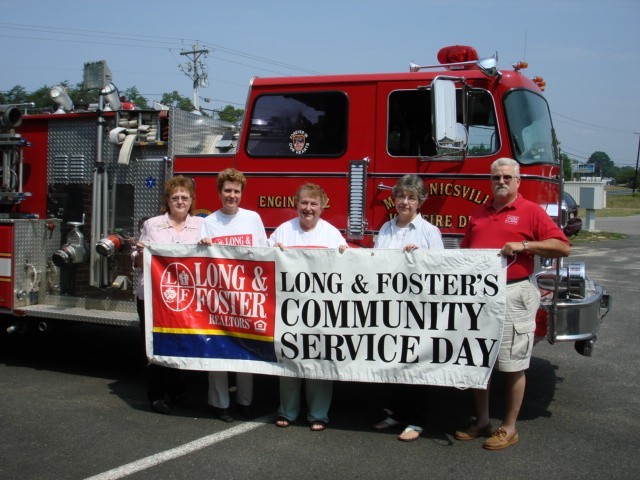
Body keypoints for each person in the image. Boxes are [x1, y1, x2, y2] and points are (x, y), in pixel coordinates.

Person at [454, 157, 570, 450]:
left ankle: (508, 427)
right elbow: (465, 254)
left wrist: (525, 245)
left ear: (518, 181)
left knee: (511, 365)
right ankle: (482, 421)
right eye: (496, 178)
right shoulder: (479, 213)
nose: (501, 182)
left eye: (507, 177)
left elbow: (562, 246)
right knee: (478, 362)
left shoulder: (530, 212)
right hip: (479, 296)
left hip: (514, 293)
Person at [371, 174, 444, 442]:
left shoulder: (429, 232)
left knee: (415, 364)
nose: (405, 201)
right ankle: (396, 414)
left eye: (411, 197)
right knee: (393, 362)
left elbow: (440, 270)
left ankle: (417, 420)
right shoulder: (387, 228)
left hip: (418, 310)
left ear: (420, 202)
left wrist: (421, 258)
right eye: (401, 196)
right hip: (390, 307)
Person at [269, 183, 348, 431]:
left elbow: (347, 268)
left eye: (314, 204)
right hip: (288, 309)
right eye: (304, 203)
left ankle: (318, 414)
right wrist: (273, 251)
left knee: (319, 361)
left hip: (321, 311)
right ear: (296, 205)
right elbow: (263, 256)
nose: (308, 208)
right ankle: (287, 412)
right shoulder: (283, 231)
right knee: (289, 359)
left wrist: (346, 253)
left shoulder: (332, 234)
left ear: (322, 207)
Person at [198, 168, 268, 423]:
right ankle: (219, 403)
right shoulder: (209, 221)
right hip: (219, 297)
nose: (232, 195)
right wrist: (203, 246)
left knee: (244, 348)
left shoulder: (253, 218)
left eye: (236, 191)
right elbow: (200, 259)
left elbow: (263, 253)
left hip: (246, 295)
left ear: (242, 193)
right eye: (227, 190)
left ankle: (244, 402)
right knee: (218, 349)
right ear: (219, 193)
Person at [132, 175, 203, 415]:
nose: (180, 201)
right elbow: (136, 261)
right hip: (153, 297)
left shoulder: (200, 227)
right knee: (155, 343)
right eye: (175, 198)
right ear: (167, 201)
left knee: (180, 342)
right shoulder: (152, 225)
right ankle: (156, 394)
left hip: (184, 298)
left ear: (192, 201)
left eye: (185, 197)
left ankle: (177, 390)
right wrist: (140, 253)